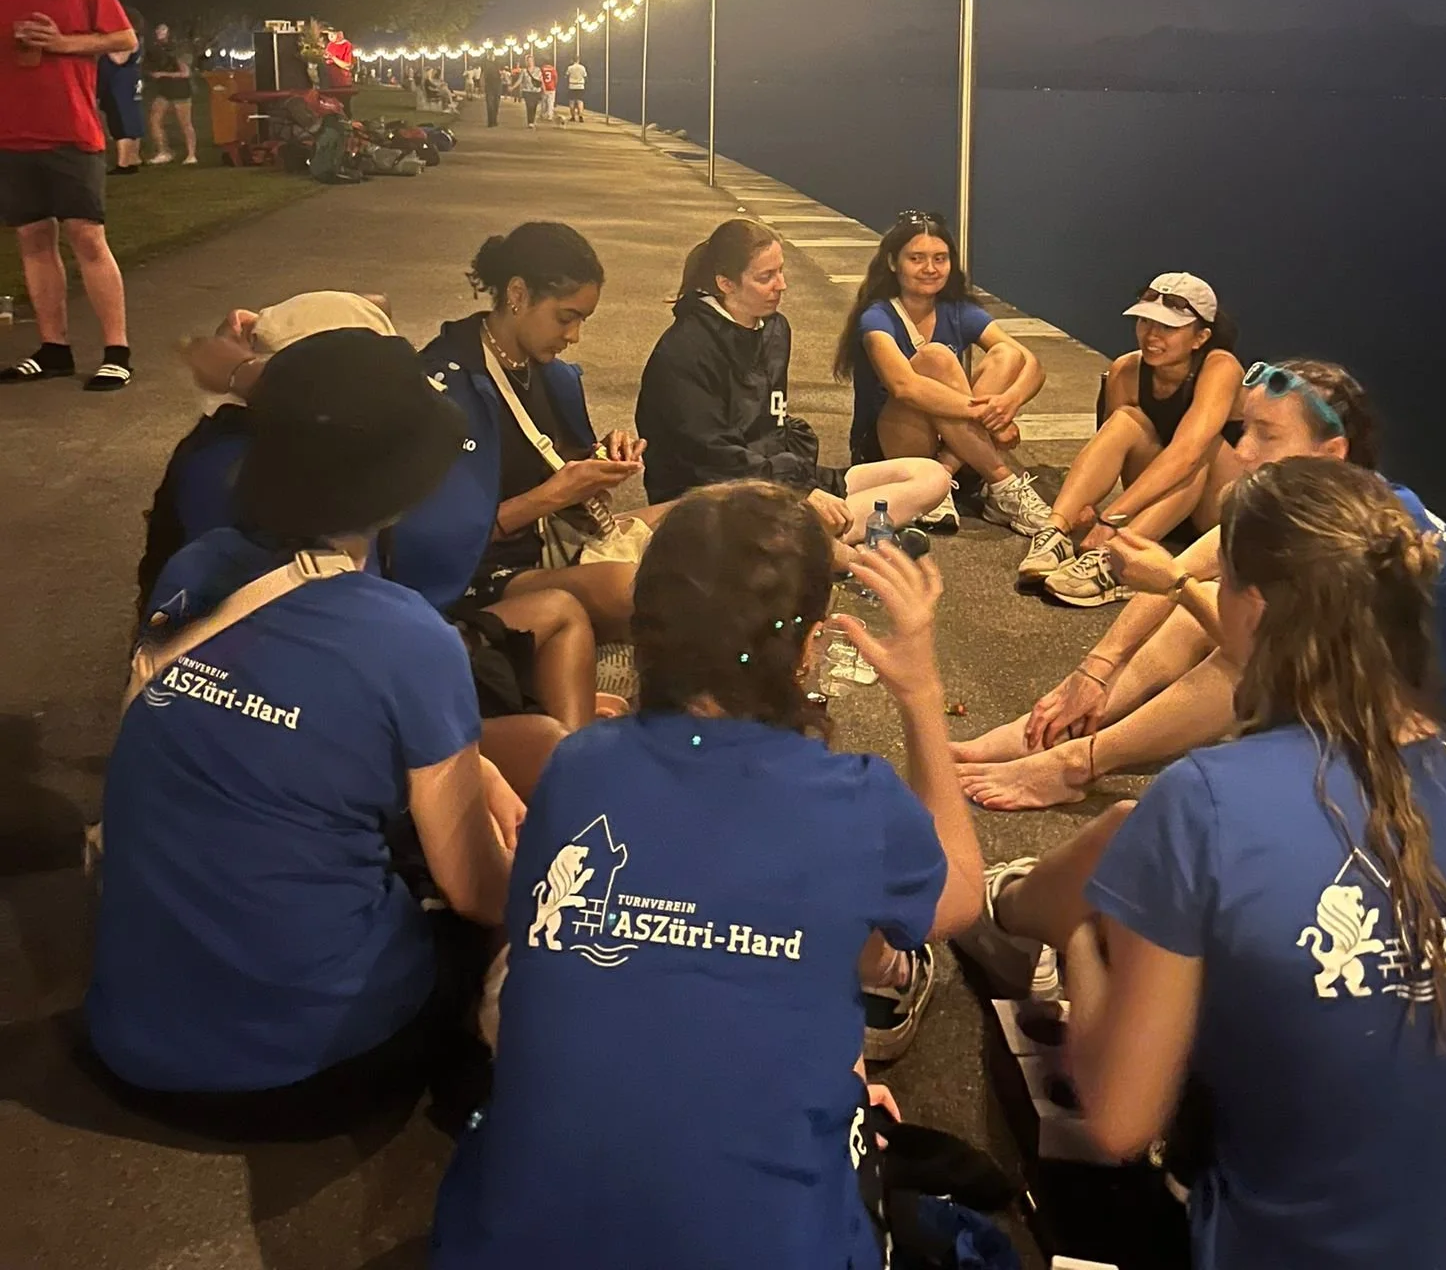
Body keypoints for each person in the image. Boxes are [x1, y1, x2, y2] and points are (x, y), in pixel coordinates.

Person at [974, 458, 1446, 1270]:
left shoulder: (1206, 798)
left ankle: (1016, 909)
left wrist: (1083, 947)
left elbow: (1120, 1121)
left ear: (1253, 609)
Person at [430, 486, 984, 1270]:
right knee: (825, 962)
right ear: (810, 643)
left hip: (510, 1245)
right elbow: (961, 896)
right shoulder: (854, 800)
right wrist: (921, 693)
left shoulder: (576, 766)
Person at [87, 329, 521, 1138]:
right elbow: (478, 890)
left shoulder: (199, 569)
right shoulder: (405, 635)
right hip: (306, 1070)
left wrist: (479, 773)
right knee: (502, 886)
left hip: (131, 1044)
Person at [953, 359, 1446, 808]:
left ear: (1332, 453)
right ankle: (1058, 731)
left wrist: (1176, 582)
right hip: (1368, 688)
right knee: (1210, 607)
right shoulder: (1307, 497)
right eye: (1244, 429)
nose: (1244, 452)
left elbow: (1264, 654)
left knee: (1240, 645)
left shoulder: (1364, 531)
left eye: (1267, 435)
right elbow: (1197, 567)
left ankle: (1077, 762)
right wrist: (1093, 673)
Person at [147, 289, 600, 796]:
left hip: (249, 714)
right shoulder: (364, 562)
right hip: (322, 718)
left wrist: (242, 370)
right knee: (545, 744)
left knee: (548, 654)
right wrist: (475, 772)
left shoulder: (224, 499)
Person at [395, 222, 662, 643]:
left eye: (582, 321)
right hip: (481, 572)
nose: (574, 336)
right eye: (566, 318)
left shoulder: (556, 378)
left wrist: (601, 461)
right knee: (630, 589)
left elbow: (571, 487)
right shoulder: (443, 386)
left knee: (704, 510)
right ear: (517, 294)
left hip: (554, 545)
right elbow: (430, 538)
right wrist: (554, 494)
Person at [636, 220, 952, 545]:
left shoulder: (775, 329)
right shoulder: (685, 349)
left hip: (776, 479)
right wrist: (797, 489)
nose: (782, 285)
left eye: (781, 271)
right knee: (791, 514)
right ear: (726, 284)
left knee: (930, 476)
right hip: (714, 496)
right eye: (766, 277)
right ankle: (818, 542)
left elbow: (770, 427)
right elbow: (709, 459)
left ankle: (815, 538)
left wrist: (800, 482)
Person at [1013, 271, 1243, 606]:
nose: (1152, 335)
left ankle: (1116, 558)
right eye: (1145, 321)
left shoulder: (1221, 367)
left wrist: (1111, 521)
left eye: (1168, 327)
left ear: (1200, 337)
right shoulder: (1127, 370)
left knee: (1200, 448)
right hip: (1159, 511)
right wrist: (1085, 508)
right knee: (1126, 419)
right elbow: (1111, 450)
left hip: (1215, 517)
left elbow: (1186, 455)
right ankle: (1055, 532)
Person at [0, 0, 138, 391]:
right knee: (33, 240)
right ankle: (53, 349)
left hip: (70, 129)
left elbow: (123, 39)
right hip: (9, 134)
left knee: (87, 237)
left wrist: (63, 44)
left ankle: (117, 351)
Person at [833, 210, 1050, 535]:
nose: (930, 268)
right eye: (916, 258)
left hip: (957, 450)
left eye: (940, 258)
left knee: (1007, 355)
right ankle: (1003, 484)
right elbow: (904, 387)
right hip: (892, 455)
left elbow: (1031, 364)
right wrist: (985, 416)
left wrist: (1007, 405)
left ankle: (943, 477)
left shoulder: (958, 311)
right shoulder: (877, 317)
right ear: (892, 262)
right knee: (936, 358)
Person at [142, 22, 198, 166]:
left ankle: (191, 155)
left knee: (185, 123)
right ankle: (164, 151)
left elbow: (185, 73)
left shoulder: (177, 50)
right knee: (155, 119)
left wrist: (162, 74)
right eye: (158, 30)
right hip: (165, 90)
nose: (159, 33)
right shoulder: (156, 49)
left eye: (163, 30)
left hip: (180, 90)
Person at [97, 7, 144, 174]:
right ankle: (134, 158)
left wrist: (104, 45)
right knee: (131, 120)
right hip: (125, 84)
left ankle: (123, 164)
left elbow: (119, 59)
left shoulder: (128, 39)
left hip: (120, 86)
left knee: (121, 121)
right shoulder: (134, 38)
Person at [517, 62, 540, 127]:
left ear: (533, 61)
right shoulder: (524, 71)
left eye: (531, 60)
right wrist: (513, 87)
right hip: (527, 90)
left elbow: (541, 79)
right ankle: (530, 122)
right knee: (529, 106)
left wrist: (544, 88)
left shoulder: (538, 69)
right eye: (528, 61)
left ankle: (532, 120)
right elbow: (520, 80)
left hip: (536, 91)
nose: (529, 62)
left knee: (534, 106)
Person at [481, 58, 503, 129]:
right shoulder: (486, 64)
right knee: (491, 104)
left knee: (495, 104)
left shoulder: (497, 64)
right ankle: (491, 121)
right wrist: (482, 85)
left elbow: (502, 75)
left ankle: (493, 120)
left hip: (495, 87)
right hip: (490, 87)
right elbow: (483, 75)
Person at [564, 54, 587, 122]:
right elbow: (585, 75)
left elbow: (566, 75)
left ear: (572, 60)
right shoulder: (582, 67)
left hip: (572, 86)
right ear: (578, 60)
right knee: (580, 101)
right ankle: (580, 116)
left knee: (572, 102)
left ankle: (573, 117)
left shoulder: (570, 68)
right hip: (580, 86)